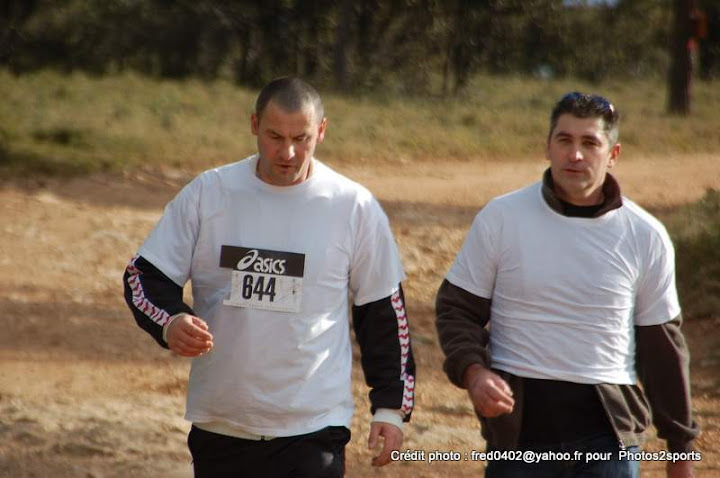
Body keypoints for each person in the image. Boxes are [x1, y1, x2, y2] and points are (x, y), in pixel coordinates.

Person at [123, 77, 415, 478]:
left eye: (302, 138)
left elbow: (383, 310)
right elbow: (144, 275)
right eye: (275, 136)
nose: (288, 152)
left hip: (314, 426)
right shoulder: (210, 193)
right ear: (254, 125)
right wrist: (170, 320)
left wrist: (390, 407)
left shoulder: (353, 206)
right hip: (222, 423)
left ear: (323, 131)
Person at [435, 92, 699, 478]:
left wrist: (681, 454)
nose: (575, 155)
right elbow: (456, 308)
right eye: (565, 140)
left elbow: (663, 350)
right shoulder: (502, 218)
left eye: (590, 143)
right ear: (548, 147)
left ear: (613, 153)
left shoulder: (646, 235)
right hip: (519, 438)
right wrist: (474, 372)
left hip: (608, 444)